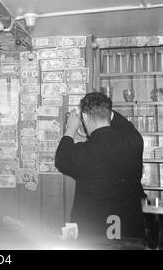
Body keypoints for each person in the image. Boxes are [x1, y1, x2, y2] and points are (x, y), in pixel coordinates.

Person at [55, 92, 145, 239]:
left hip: (94, 237)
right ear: (109, 114)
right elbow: (124, 124)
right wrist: (103, 109)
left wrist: (70, 128)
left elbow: (61, 159)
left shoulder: (82, 153)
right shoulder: (134, 140)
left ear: (83, 117)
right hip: (131, 233)